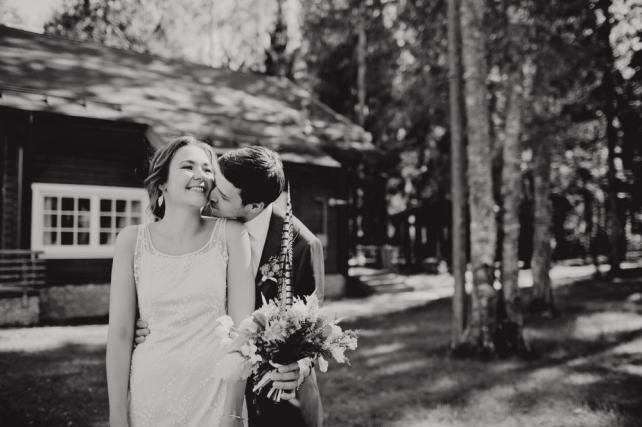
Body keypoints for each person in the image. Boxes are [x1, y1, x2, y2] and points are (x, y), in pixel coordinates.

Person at [135, 146, 324, 427]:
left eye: (223, 196)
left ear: (254, 206)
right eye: (215, 182)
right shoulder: (203, 218)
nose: (210, 194)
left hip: (276, 399)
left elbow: (311, 330)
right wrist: (148, 321)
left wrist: (301, 366)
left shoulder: (302, 246)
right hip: (206, 390)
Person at [106, 136, 255, 427]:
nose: (201, 175)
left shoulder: (231, 234)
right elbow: (121, 334)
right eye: (188, 167)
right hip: (149, 396)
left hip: (215, 397)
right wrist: (117, 417)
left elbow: (242, 331)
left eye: (208, 169)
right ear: (162, 182)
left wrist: (233, 412)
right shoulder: (131, 241)